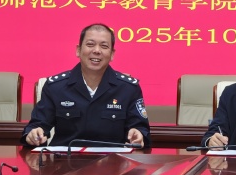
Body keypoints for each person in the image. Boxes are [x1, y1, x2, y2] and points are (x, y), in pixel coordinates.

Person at [22, 23, 151, 148]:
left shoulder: (128, 89)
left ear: (112, 54)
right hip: (64, 160)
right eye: (90, 44)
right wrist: (34, 134)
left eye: (104, 46)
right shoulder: (56, 87)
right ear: (78, 50)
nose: (96, 51)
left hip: (113, 160)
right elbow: (36, 127)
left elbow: (141, 129)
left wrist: (138, 134)